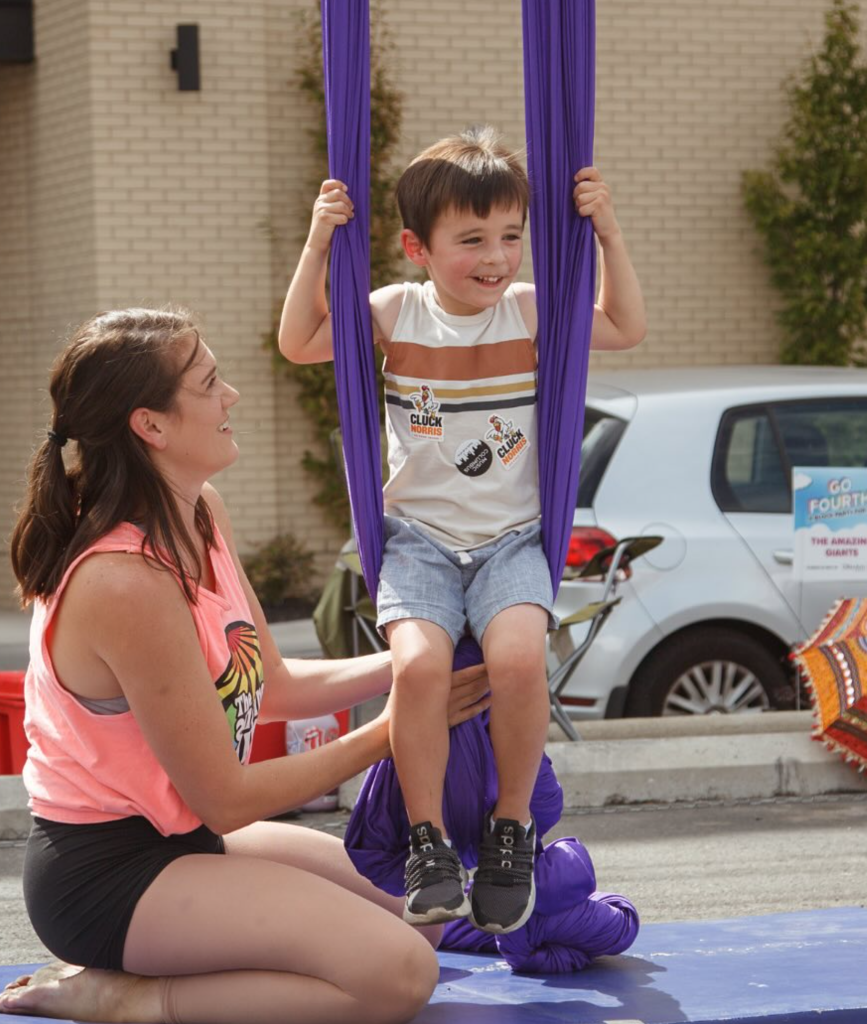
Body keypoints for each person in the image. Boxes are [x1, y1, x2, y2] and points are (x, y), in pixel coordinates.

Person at [0, 307, 491, 1024]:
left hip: (191, 839)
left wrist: (416, 662)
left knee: (424, 917)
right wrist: (400, 727)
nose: (232, 397)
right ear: (151, 426)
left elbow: (275, 687)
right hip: (111, 875)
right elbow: (224, 797)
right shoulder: (125, 582)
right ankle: (129, 997)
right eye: (210, 382)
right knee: (400, 972)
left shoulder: (200, 513)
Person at [279, 126, 646, 934]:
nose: (497, 256)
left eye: (512, 236)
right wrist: (319, 238)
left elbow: (622, 327)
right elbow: (299, 341)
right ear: (417, 246)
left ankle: (510, 829)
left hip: (514, 538)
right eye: (472, 239)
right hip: (417, 543)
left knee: (519, 662)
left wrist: (607, 232)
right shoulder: (395, 310)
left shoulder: (529, 310)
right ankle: (429, 843)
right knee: (418, 672)